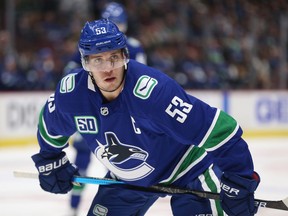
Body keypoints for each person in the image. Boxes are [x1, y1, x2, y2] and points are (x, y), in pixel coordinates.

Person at [31, 18, 260, 216]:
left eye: (114, 58)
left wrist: (239, 179)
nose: (108, 68)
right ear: (85, 63)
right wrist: (50, 160)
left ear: (125, 56)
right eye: (97, 60)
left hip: (187, 169)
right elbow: (49, 125)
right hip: (128, 179)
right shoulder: (71, 94)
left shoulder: (155, 93)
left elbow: (221, 129)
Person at [63, 2, 147, 215]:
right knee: (83, 159)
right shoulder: (90, 47)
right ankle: (73, 206)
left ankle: (106, 204)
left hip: (119, 113)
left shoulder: (133, 47)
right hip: (94, 111)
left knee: (116, 165)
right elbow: (71, 75)